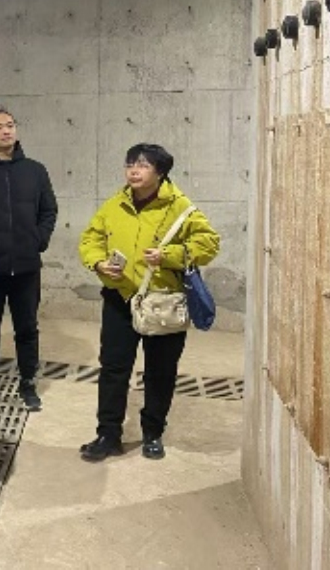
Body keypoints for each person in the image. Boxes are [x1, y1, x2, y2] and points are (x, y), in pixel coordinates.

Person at [77, 143, 220, 462]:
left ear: (160, 172)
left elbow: (209, 243)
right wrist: (99, 263)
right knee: (113, 368)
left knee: (160, 371)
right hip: (120, 298)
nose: (134, 171)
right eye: (130, 164)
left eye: (142, 165)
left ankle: (152, 433)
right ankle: (108, 434)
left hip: (163, 301)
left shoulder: (180, 206)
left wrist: (169, 256)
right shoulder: (115, 204)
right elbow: (91, 238)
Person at [0, 108, 57, 411]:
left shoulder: (35, 171)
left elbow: (49, 210)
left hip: (27, 267)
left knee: (27, 328)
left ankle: (28, 382)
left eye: (10, 125)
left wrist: (38, 240)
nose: (6, 131)